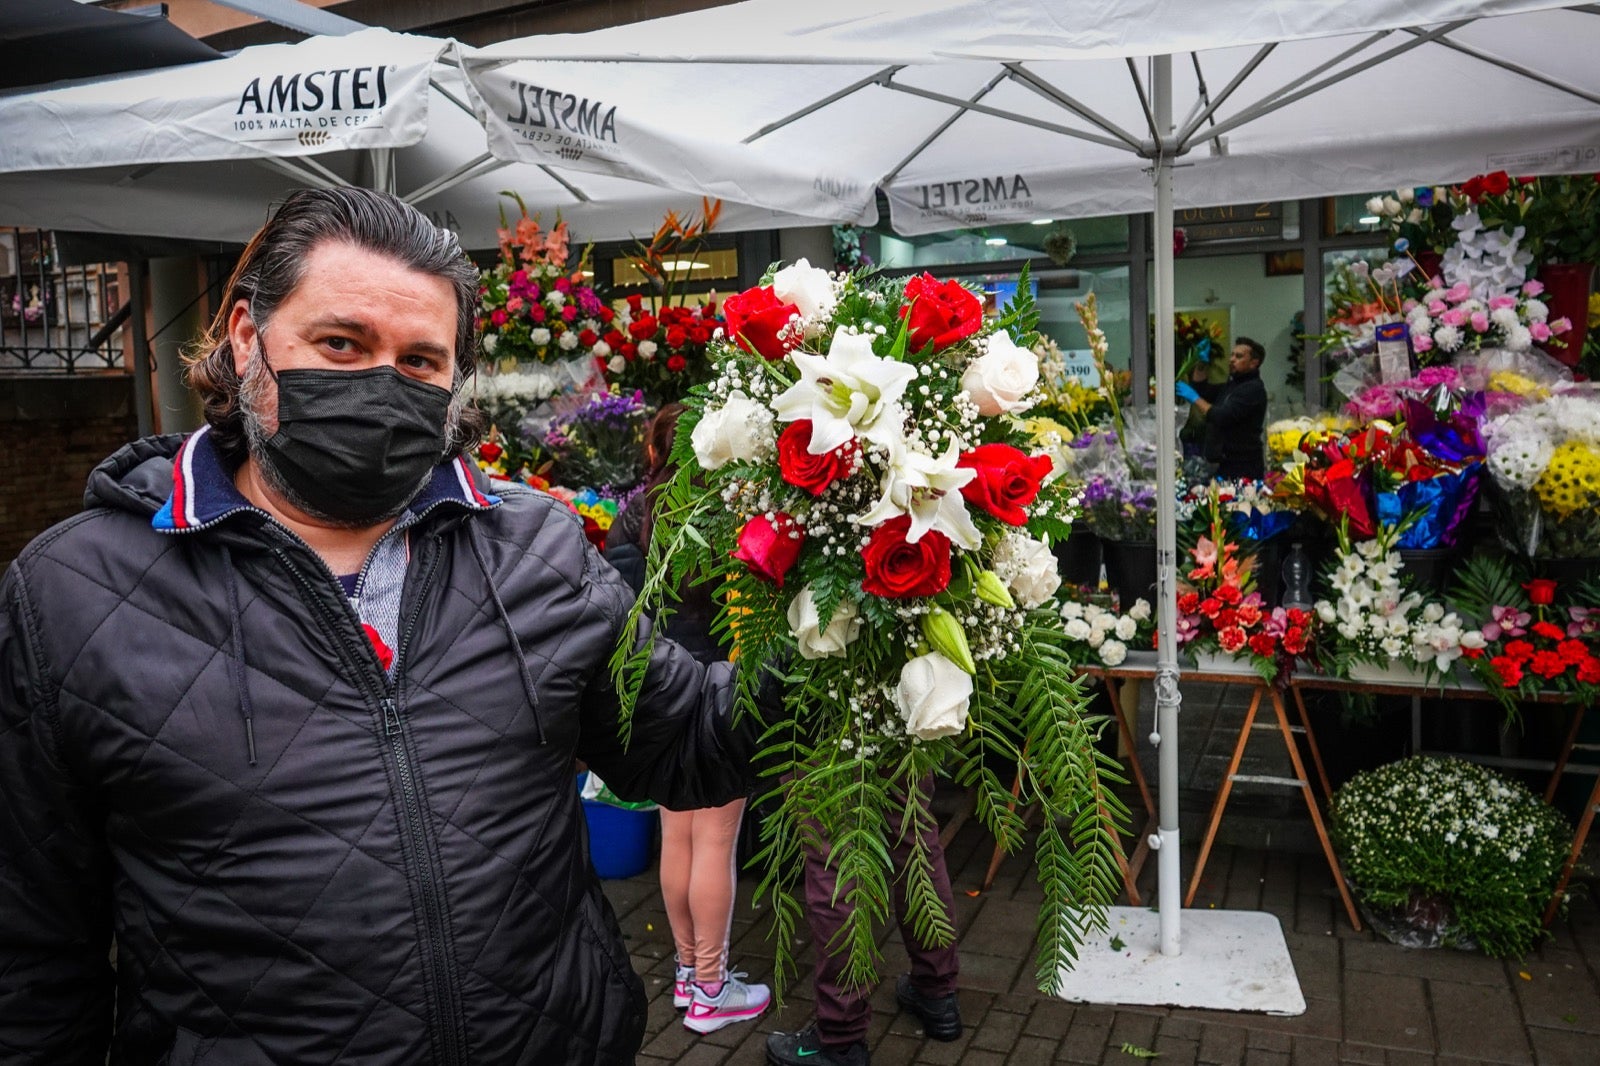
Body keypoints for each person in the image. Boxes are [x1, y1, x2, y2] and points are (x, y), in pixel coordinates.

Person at [0, 188, 753, 1066]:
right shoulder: (70, 597)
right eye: (342, 344)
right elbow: (32, 957)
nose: (382, 384)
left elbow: (687, 739)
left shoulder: (538, 547)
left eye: (421, 361)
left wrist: (851, 636)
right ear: (247, 336)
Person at [604, 404, 770, 1035]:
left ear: (657, 451)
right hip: (723, 692)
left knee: (678, 836)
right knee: (716, 844)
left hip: (660, 691)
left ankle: (685, 972)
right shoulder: (734, 515)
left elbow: (619, 609)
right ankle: (710, 988)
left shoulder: (637, 514)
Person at [765, 780, 962, 1066]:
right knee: (913, 833)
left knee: (831, 853)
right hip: (900, 735)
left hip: (818, 738)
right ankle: (937, 991)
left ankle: (840, 1036)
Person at [1176, 335, 1268, 479]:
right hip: (1224, 463)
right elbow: (1202, 390)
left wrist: (1194, 398)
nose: (1232, 360)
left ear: (1253, 363)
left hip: (1243, 467)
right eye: (1232, 355)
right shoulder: (1233, 385)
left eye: (1239, 356)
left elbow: (1221, 416)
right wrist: (1201, 363)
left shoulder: (1253, 389)